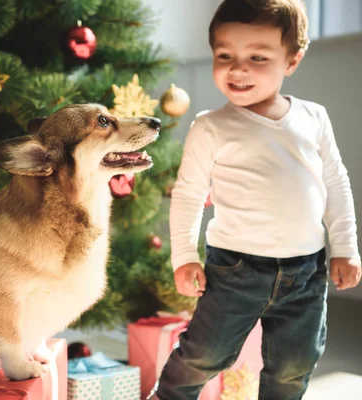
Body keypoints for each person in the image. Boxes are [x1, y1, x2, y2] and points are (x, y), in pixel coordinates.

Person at [152, 1, 362, 399]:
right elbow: (189, 195)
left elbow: (336, 184)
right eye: (225, 55)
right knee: (204, 355)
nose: (238, 68)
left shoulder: (313, 118)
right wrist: (184, 257)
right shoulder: (210, 127)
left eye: (258, 57)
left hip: (306, 270)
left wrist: (346, 248)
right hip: (235, 269)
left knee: (294, 364)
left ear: (292, 61)